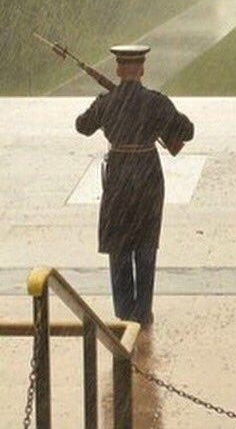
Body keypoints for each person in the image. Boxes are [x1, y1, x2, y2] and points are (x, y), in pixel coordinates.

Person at [76, 45, 194, 326]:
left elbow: (82, 126)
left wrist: (107, 105)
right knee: (145, 244)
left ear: (118, 70)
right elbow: (187, 130)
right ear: (142, 70)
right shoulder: (156, 102)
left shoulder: (107, 102)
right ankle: (143, 312)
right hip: (147, 174)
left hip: (118, 175)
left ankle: (123, 312)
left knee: (119, 244)